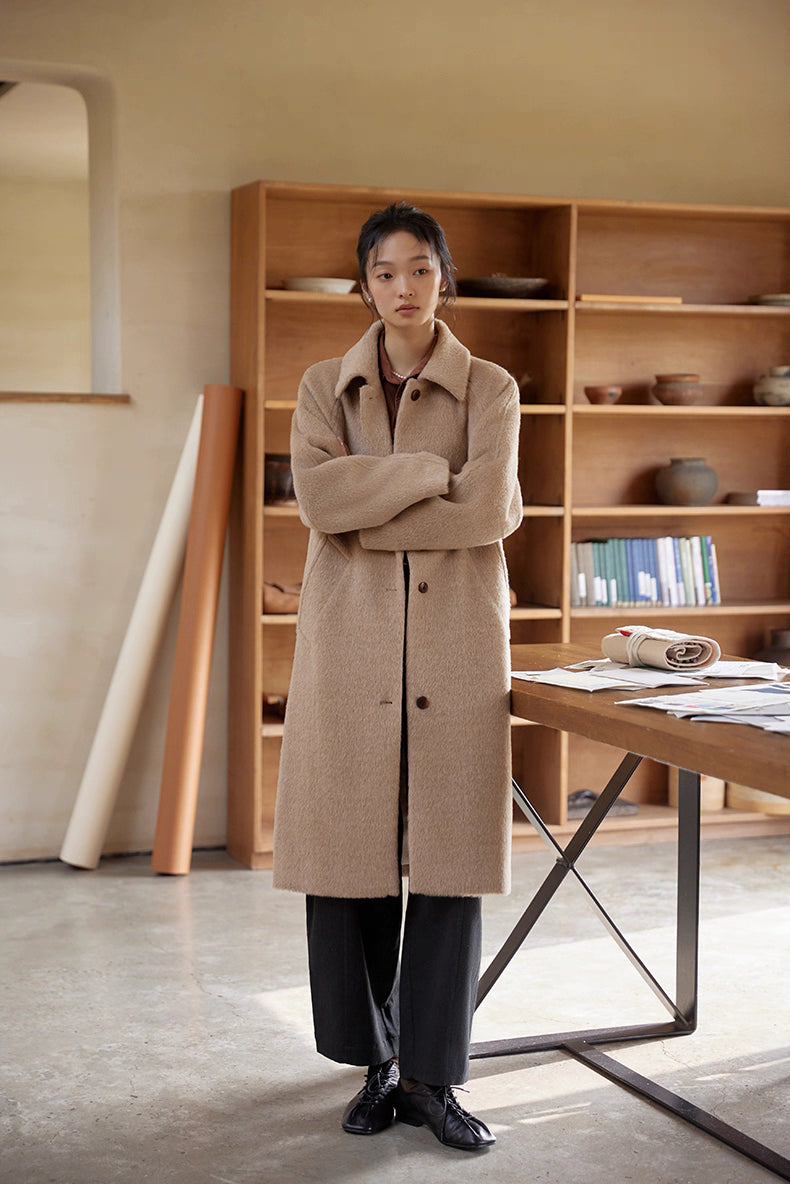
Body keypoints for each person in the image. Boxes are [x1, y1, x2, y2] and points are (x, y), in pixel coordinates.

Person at [272, 200, 522, 1151]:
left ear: (444, 278)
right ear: (364, 284)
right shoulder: (319, 388)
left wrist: (374, 498)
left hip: (458, 646)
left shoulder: (492, 388)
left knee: (450, 864)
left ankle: (432, 1080)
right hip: (350, 646)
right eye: (386, 272)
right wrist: (430, 472)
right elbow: (318, 502)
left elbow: (487, 512)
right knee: (350, 863)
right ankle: (375, 1065)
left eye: (421, 270)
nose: (405, 288)